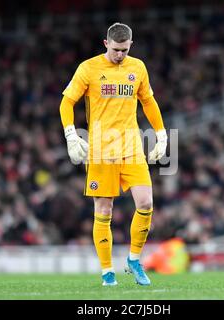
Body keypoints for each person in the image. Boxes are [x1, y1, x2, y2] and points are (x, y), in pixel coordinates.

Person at [59, 23, 167, 286]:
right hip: (101, 150)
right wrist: (71, 134)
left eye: (125, 50)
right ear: (105, 43)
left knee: (146, 204)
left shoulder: (137, 67)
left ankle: (133, 260)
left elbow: (148, 101)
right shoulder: (88, 69)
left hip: (131, 147)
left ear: (131, 44)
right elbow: (67, 102)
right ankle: (107, 271)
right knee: (104, 209)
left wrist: (161, 134)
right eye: (116, 50)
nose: (120, 55)